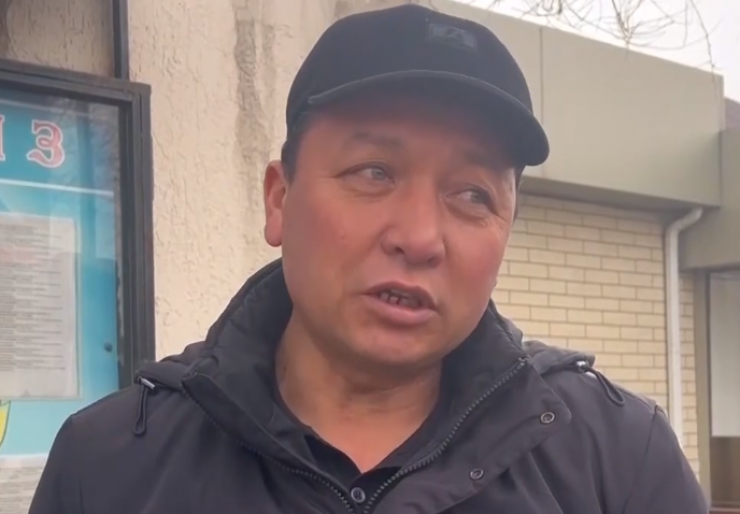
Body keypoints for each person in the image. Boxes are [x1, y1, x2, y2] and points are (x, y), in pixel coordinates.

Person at [29, 4, 708, 514]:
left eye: (472, 194)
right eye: (373, 172)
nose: (420, 236)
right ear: (279, 199)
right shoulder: (112, 466)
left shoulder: (617, 458)